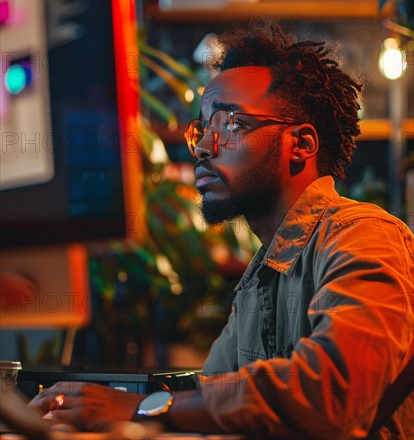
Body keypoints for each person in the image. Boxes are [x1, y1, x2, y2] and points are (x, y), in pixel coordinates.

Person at [30, 22, 413, 439]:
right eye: (203, 130)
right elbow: (212, 392)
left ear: (301, 144)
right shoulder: (261, 277)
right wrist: (91, 398)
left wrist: (143, 408)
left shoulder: (363, 236)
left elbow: (330, 394)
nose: (203, 148)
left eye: (229, 123)